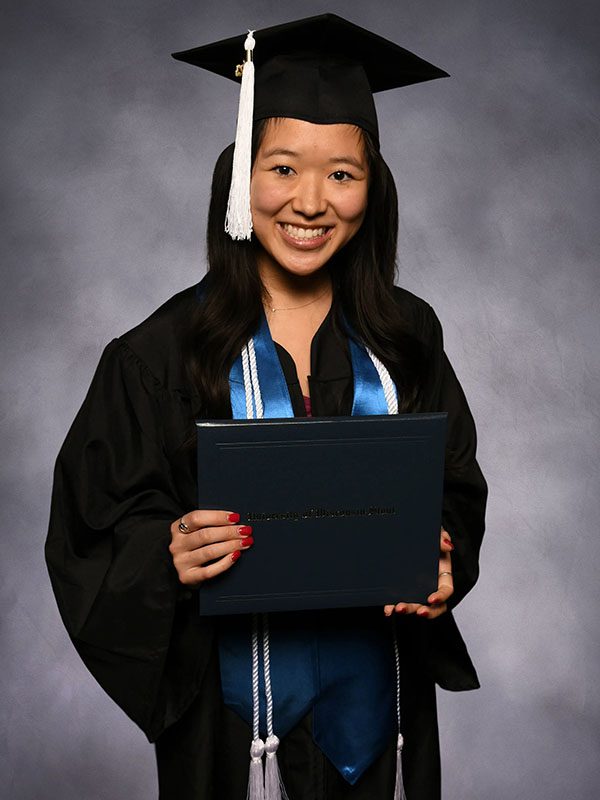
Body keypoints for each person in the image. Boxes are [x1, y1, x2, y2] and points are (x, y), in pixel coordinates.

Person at [46, 14, 488, 800]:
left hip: (382, 718)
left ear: (372, 188)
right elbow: (92, 532)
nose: (311, 203)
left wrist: (444, 553)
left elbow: (454, 485)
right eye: (282, 168)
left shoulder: (406, 337)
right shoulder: (157, 355)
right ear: (239, 179)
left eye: (342, 175)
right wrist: (167, 555)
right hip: (234, 734)